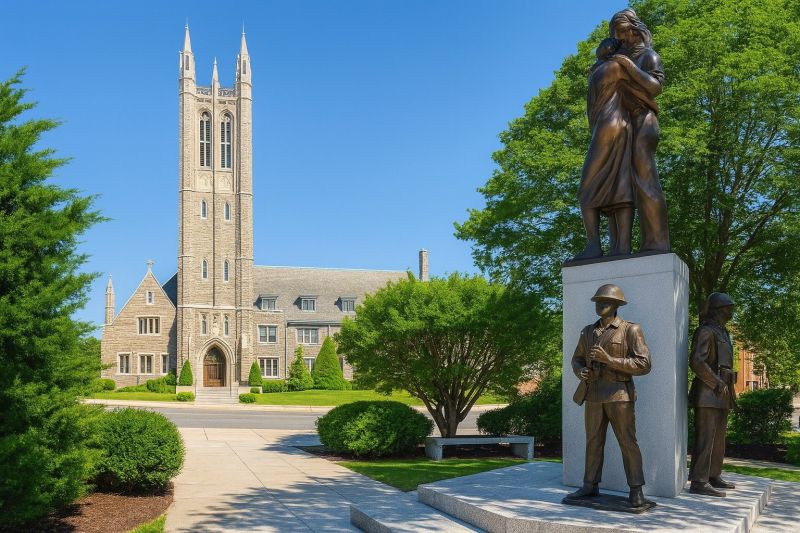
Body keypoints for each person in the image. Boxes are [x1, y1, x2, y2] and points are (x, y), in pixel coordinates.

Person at [574, 9, 670, 260]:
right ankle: (619, 247)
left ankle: (656, 242)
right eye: (616, 33)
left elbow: (655, 87)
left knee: (644, 178)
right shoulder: (615, 58)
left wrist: (628, 65)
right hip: (624, 119)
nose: (620, 37)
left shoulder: (648, 56)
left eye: (623, 31)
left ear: (635, 28)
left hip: (643, 119)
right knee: (620, 181)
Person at [568, 284, 652, 507]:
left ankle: (636, 489)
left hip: (619, 394)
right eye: (598, 301)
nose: (601, 304)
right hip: (593, 394)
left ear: (616, 305)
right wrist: (580, 371)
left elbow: (644, 364)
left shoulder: (630, 330)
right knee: (593, 441)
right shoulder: (587, 331)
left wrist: (610, 360)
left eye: (606, 301)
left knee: (627, 442)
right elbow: (577, 359)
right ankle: (589, 484)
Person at [689, 292, 737, 497]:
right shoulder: (706, 331)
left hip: (723, 392)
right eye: (729, 307)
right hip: (708, 393)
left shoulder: (723, 332)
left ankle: (713, 475)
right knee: (706, 438)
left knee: (718, 439)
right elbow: (697, 362)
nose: (732, 310)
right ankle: (699, 481)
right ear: (719, 309)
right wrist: (716, 382)